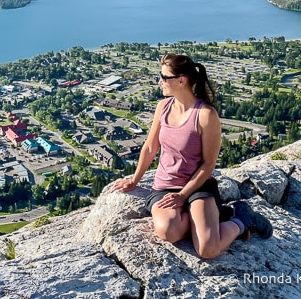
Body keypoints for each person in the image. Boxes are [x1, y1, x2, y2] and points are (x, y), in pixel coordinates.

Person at [112, 53, 272, 259]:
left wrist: (183, 196)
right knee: (168, 231)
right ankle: (217, 216)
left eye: (164, 77)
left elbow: (208, 164)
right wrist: (134, 180)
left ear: (181, 80)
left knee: (207, 250)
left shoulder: (206, 115)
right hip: (166, 185)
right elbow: (150, 147)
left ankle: (242, 219)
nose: (160, 81)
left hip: (198, 186)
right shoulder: (163, 107)